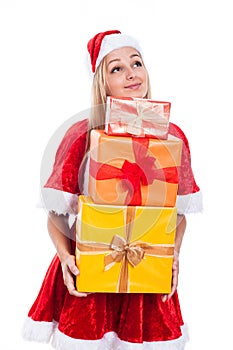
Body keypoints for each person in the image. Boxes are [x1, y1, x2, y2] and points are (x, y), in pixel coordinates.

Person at [22, 30, 202, 350]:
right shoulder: (82, 134)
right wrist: (66, 258)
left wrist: (172, 256)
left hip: (147, 272)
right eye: (116, 68)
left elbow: (178, 213)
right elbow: (55, 213)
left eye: (136, 63)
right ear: (102, 83)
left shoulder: (173, 137)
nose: (131, 73)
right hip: (91, 268)